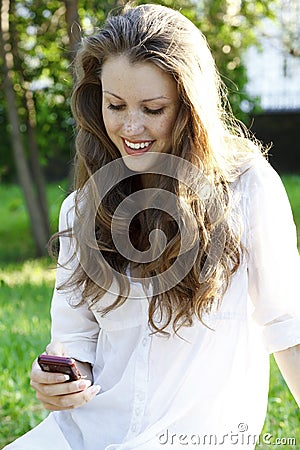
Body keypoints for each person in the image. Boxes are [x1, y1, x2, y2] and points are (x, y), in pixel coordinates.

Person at [5, 3, 300, 450]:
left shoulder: (247, 189)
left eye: (153, 108)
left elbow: (289, 329)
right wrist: (58, 379)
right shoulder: (81, 208)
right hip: (86, 435)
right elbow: (74, 344)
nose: (131, 126)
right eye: (116, 105)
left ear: (189, 109)